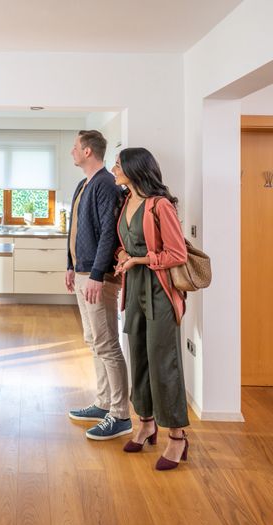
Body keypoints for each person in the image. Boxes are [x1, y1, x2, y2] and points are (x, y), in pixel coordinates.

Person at [113, 148, 189, 470]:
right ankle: (145, 423)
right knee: (139, 360)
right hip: (133, 293)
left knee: (164, 363)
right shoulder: (125, 201)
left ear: (134, 168)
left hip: (159, 291)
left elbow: (178, 253)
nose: (114, 168)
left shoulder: (161, 206)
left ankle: (177, 437)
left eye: (119, 164)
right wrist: (122, 256)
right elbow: (126, 243)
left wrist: (139, 260)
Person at [66, 130, 132, 440]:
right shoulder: (84, 184)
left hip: (98, 276)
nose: (72, 152)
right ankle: (104, 402)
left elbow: (108, 232)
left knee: (107, 344)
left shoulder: (106, 184)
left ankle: (120, 415)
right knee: (94, 340)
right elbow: (76, 228)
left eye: (75, 147)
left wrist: (95, 274)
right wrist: (71, 266)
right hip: (83, 272)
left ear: (89, 151)